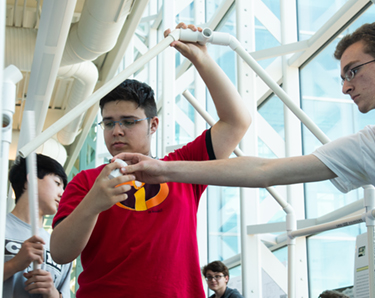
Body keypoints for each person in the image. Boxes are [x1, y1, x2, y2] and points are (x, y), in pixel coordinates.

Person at [114, 21, 375, 297]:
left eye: (353, 72)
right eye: (342, 77)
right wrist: (163, 169)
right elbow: (265, 170)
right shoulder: (368, 146)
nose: (346, 87)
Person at [49, 23, 251, 297]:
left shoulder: (181, 167)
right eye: (108, 123)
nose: (117, 131)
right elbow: (61, 253)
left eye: (129, 122)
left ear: (153, 125)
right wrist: (93, 203)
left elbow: (236, 122)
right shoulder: (86, 181)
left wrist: (201, 59)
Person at [4, 154, 71, 297]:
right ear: (31, 180)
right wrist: (13, 265)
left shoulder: (60, 246)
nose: (62, 194)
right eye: (57, 183)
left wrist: (52, 292)